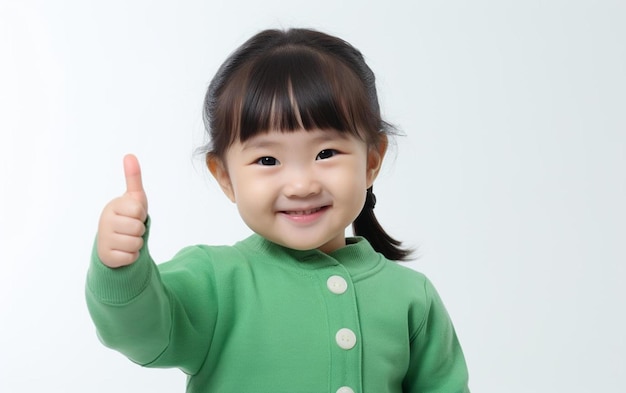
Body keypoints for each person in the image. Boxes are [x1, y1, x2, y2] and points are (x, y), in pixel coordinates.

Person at [86, 28, 470, 393]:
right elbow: (139, 332)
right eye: (268, 159)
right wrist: (120, 267)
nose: (302, 185)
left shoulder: (410, 295)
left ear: (371, 161)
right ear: (224, 176)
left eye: (326, 153)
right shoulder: (214, 281)